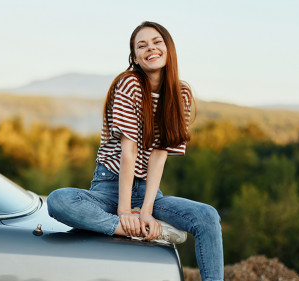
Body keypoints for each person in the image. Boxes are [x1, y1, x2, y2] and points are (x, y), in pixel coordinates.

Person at [47, 21, 224, 281]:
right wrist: (124, 213)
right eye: (142, 46)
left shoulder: (180, 93)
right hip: (111, 187)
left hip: (149, 192)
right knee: (58, 201)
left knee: (208, 216)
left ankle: (141, 224)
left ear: (168, 48)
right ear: (135, 57)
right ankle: (128, 229)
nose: (150, 49)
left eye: (156, 42)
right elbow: (127, 153)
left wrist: (146, 210)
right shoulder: (129, 84)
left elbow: (159, 154)